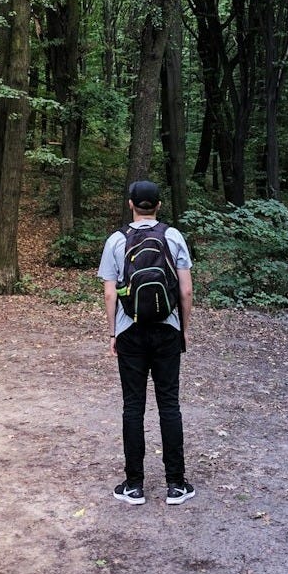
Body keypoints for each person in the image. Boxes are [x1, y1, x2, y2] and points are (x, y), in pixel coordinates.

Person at [98, 179, 195, 506]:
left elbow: (110, 293)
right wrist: (183, 329)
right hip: (167, 329)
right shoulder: (173, 236)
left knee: (133, 406)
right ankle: (176, 485)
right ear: (158, 205)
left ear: (131, 204)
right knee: (169, 404)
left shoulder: (116, 240)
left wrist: (113, 333)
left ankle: (134, 485)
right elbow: (186, 291)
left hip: (130, 330)